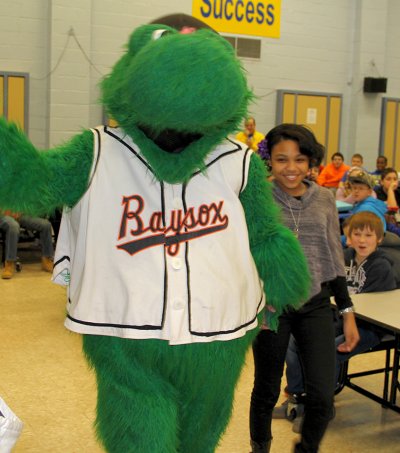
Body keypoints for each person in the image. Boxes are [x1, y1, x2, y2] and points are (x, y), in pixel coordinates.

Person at [249, 124, 359, 453]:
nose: (292, 168)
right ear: (270, 161)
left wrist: (347, 311)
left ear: (311, 161)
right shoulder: (258, 199)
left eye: (300, 159)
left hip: (315, 304)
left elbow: (333, 257)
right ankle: (260, 448)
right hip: (272, 307)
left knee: (324, 397)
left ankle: (306, 449)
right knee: (267, 391)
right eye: (282, 160)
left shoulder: (324, 198)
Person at [276, 212, 397, 430]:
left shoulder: (381, 267)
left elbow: (372, 309)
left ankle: (322, 406)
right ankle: (297, 395)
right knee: (294, 342)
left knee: (326, 352)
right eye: (357, 234)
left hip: (368, 328)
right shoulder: (342, 257)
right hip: (337, 319)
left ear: (379, 239)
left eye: (369, 236)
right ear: (348, 237)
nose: (362, 240)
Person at [0, 213, 54, 279]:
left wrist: (20, 211)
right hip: (2, 214)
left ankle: (47, 260)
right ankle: (9, 264)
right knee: (13, 226)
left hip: (19, 213)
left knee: (46, 225)